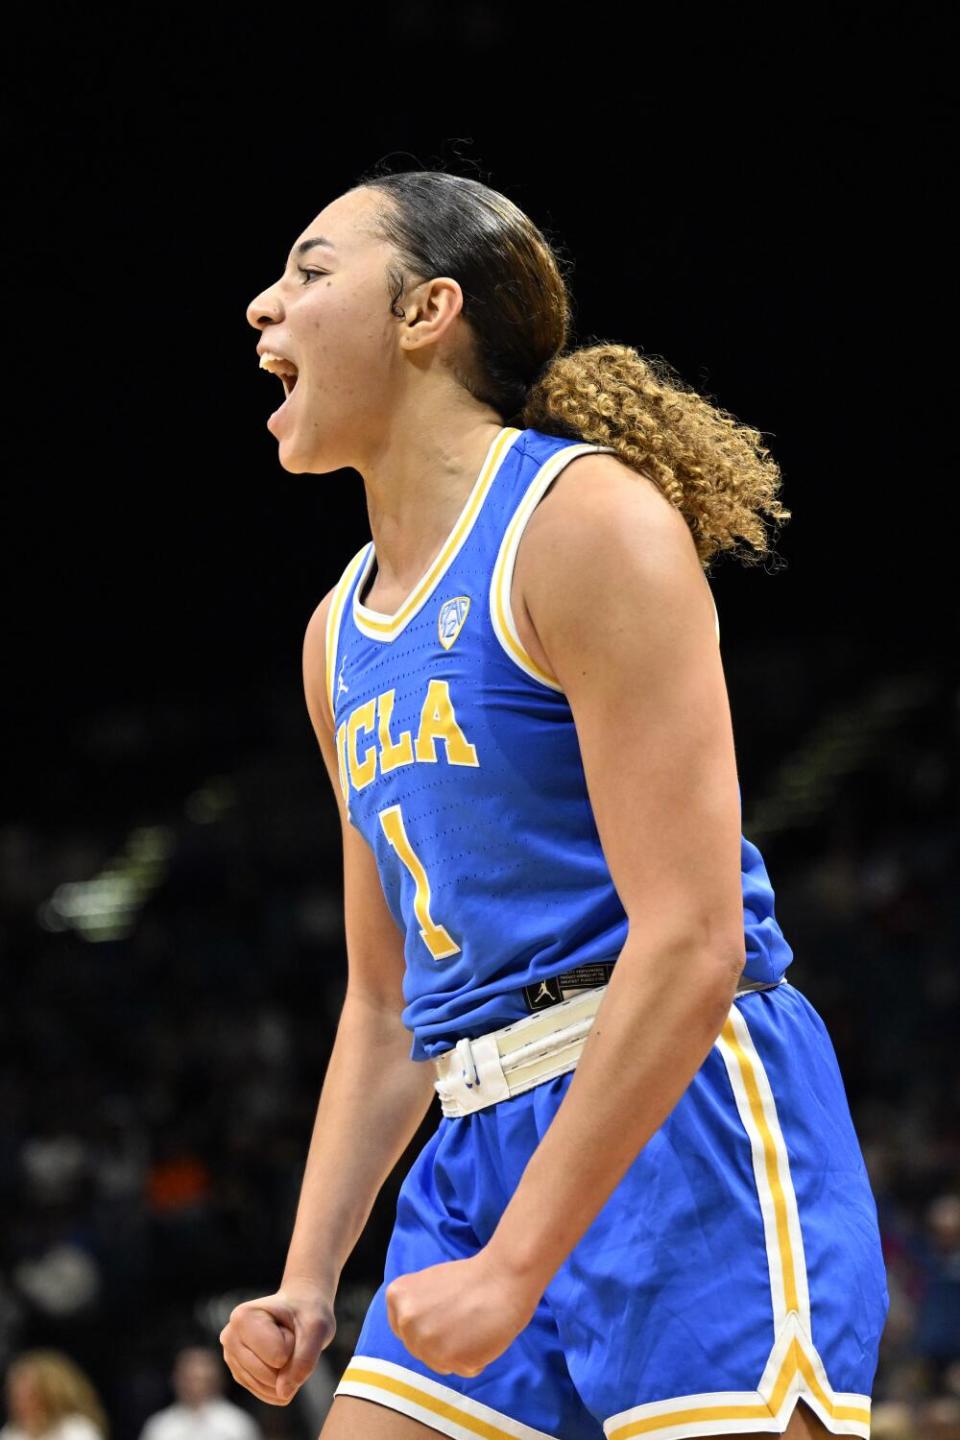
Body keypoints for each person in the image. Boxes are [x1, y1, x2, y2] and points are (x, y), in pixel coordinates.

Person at [220, 166, 889, 1440]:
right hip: (475, 1145)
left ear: (428, 312)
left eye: (310, 272)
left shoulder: (582, 523)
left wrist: (520, 1268)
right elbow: (383, 1004)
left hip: (679, 1117)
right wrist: (309, 1277)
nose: (266, 306)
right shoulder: (335, 639)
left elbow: (694, 937)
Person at [138, 1347, 261, 1440]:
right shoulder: (160, 1426)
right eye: (190, 1379)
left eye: (203, 1379)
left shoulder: (237, 1425)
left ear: (218, 1380)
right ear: (176, 1379)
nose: (196, 1387)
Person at [1, 1350, 107, 1440]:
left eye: (30, 1396)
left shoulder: (77, 1430)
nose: (20, 1404)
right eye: (16, 1396)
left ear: (51, 1396)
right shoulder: (11, 1433)